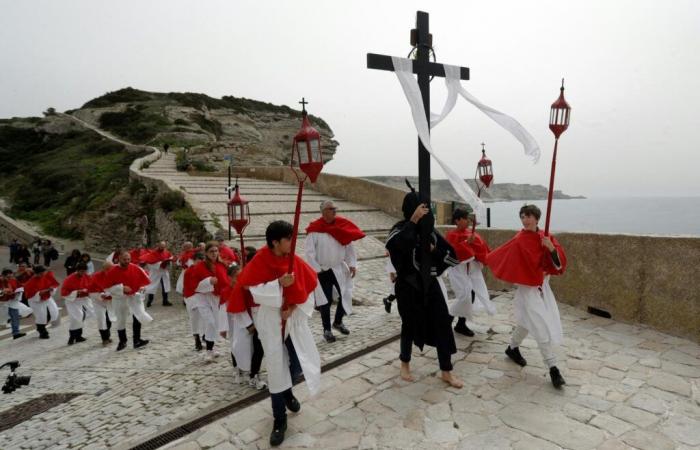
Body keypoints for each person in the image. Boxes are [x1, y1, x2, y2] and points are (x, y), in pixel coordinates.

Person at [231, 220, 321, 446]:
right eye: (288, 238)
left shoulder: (293, 260)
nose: (292, 242)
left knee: (298, 362)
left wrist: (291, 308)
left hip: (291, 322)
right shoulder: (261, 260)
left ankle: (287, 392)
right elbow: (254, 290)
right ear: (275, 242)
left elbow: (307, 288)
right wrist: (279, 283)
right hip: (270, 321)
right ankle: (279, 419)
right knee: (275, 370)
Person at [385, 185, 463, 388]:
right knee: (409, 325)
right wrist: (413, 221)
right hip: (408, 286)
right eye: (420, 209)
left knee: (443, 325)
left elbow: (453, 259)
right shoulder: (399, 228)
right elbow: (397, 246)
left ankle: (446, 370)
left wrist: (434, 250)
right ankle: (405, 364)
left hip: (430, 284)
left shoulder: (432, 234)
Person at [487, 204, 568, 388]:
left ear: (537, 218)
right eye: (522, 216)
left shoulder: (546, 237)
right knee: (541, 327)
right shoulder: (519, 240)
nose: (525, 220)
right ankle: (553, 368)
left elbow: (558, 264)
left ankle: (512, 348)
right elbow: (503, 255)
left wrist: (551, 249)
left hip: (543, 288)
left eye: (529, 216)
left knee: (525, 322)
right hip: (527, 290)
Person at [304, 200, 364, 342]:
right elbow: (309, 252)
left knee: (346, 294)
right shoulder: (314, 229)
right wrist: (317, 269)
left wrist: (352, 264)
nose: (334, 211)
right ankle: (327, 330)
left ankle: (338, 321)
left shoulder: (341, 225)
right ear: (323, 211)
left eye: (335, 208)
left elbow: (348, 246)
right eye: (331, 209)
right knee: (325, 301)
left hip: (338, 268)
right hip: (322, 270)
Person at [444, 208, 496, 337]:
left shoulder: (471, 233)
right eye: (465, 218)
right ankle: (446, 322)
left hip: (471, 272)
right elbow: (451, 253)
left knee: (470, 296)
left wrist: (477, 250)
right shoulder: (451, 235)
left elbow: (480, 248)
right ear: (457, 220)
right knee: (464, 297)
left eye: (468, 218)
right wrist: (467, 243)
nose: (468, 221)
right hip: (458, 272)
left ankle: (461, 324)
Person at [222, 263, 267, 390]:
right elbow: (239, 308)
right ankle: (251, 374)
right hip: (247, 325)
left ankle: (254, 374)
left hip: (259, 321)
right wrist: (249, 325)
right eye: (236, 276)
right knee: (246, 349)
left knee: (258, 350)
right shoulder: (238, 288)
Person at [184, 242, 229, 361]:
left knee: (216, 323)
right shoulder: (200, 266)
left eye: (216, 251)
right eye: (211, 251)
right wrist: (208, 281)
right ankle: (209, 351)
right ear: (206, 253)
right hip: (202, 297)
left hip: (216, 298)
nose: (214, 253)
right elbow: (194, 285)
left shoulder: (222, 265)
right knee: (210, 322)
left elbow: (227, 280)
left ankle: (212, 348)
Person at [103, 251, 153, 351]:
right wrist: (121, 288)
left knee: (138, 316)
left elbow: (145, 280)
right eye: (124, 259)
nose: (127, 261)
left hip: (133, 297)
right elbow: (107, 289)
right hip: (120, 299)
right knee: (121, 320)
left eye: (128, 259)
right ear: (118, 259)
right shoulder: (112, 271)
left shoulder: (135, 268)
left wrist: (142, 287)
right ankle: (122, 341)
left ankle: (137, 341)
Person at [60, 262, 95, 345]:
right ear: (77, 270)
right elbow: (64, 292)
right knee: (76, 317)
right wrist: (77, 292)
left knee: (89, 313)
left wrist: (87, 290)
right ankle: (72, 337)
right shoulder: (69, 279)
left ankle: (78, 336)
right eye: (81, 271)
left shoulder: (87, 276)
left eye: (84, 271)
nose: (83, 273)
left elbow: (91, 286)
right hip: (72, 300)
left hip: (83, 298)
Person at [24, 265, 61, 339]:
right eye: (41, 273)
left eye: (44, 272)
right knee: (41, 316)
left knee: (52, 313)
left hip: (47, 299)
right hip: (36, 301)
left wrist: (52, 289)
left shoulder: (45, 277)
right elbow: (31, 294)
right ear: (37, 273)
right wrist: (42, 292)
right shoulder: (30, 282)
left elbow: (53, 285)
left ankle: (41, 327)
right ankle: (42, 332)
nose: (43, 274)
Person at [183, 252, 206, 351]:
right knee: (195, 319)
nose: (201, 261)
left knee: (205, 318)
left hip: (202, 297)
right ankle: (197, 339)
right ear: (195, 260)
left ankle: (205, 336)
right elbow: (192, 286)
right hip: (192, 297)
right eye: (199, 259)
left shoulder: (203, 269)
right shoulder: (189, 271)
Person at [1, 268, 32, 339]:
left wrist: (19, 291)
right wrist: (2, 292)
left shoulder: (13, 280)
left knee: (15, 317)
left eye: (11, 276)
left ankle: (16, 333)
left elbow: (20, 286)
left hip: (12, 302)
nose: (10, 278)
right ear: (3, 276)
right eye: (8, 277)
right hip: (2, 303)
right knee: (3, 317)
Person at [89, 261, 116, 345]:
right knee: (101, 320)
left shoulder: (114, 275)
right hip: (98, 302)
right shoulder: (95, 277)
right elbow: (91, 290)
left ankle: (107, 336)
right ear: (103, 269)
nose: (109, 271)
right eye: (107, 269)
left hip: (109, 301)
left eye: (111, 269)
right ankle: (104, 339)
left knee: (108, 320)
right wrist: (101, 295)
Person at [142, 241, 173, 307]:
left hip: (164, 272)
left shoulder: (167, 252)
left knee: (165, 286)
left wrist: (168, 264)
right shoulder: (153, 253)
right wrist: (159, 264)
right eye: (161, 246)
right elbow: (150, 263)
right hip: (155, 272)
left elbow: (170, 259)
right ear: (158, 245)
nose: (162, 248)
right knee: (152, 286)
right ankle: (149, 301)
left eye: (164, 247)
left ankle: (165, 301)